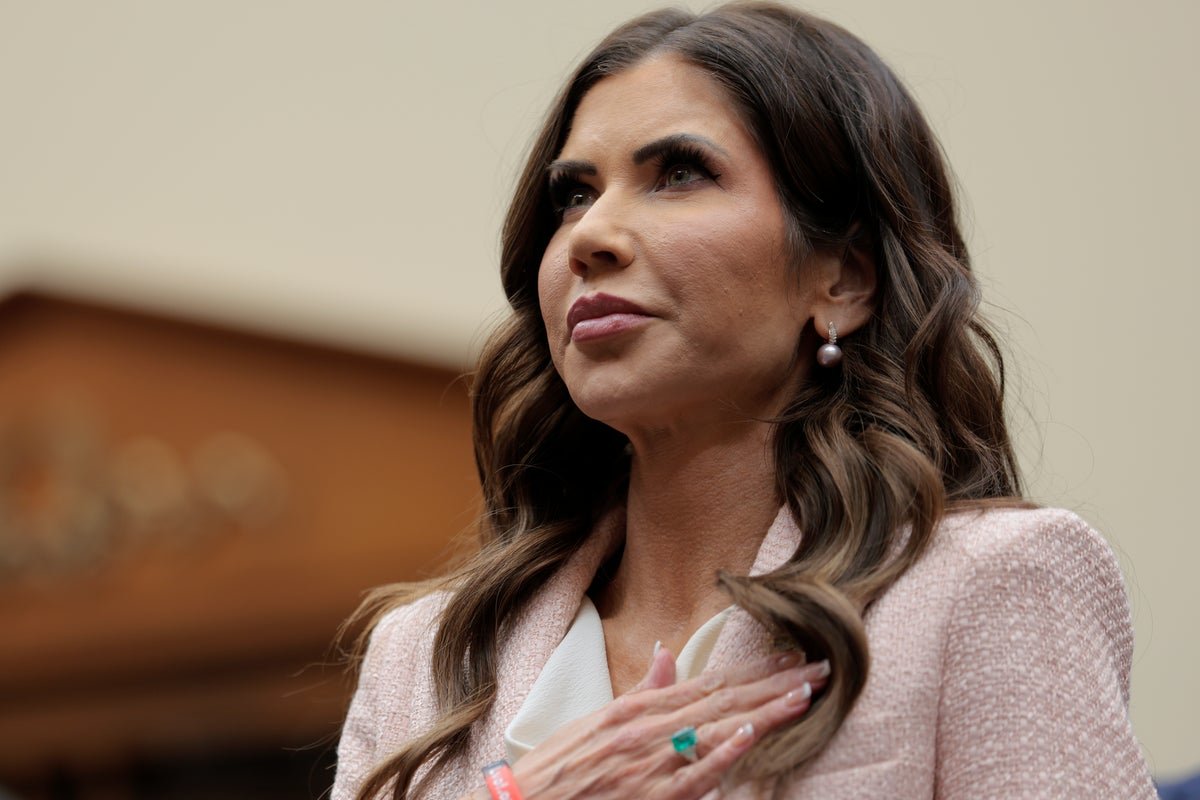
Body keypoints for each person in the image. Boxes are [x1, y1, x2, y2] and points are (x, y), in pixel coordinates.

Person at [332, 3, 1156, 798]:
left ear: (844, 278)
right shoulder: (422, 658)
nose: (589, 236)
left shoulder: (990, 584)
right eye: (574, 195)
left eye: (680, 175)